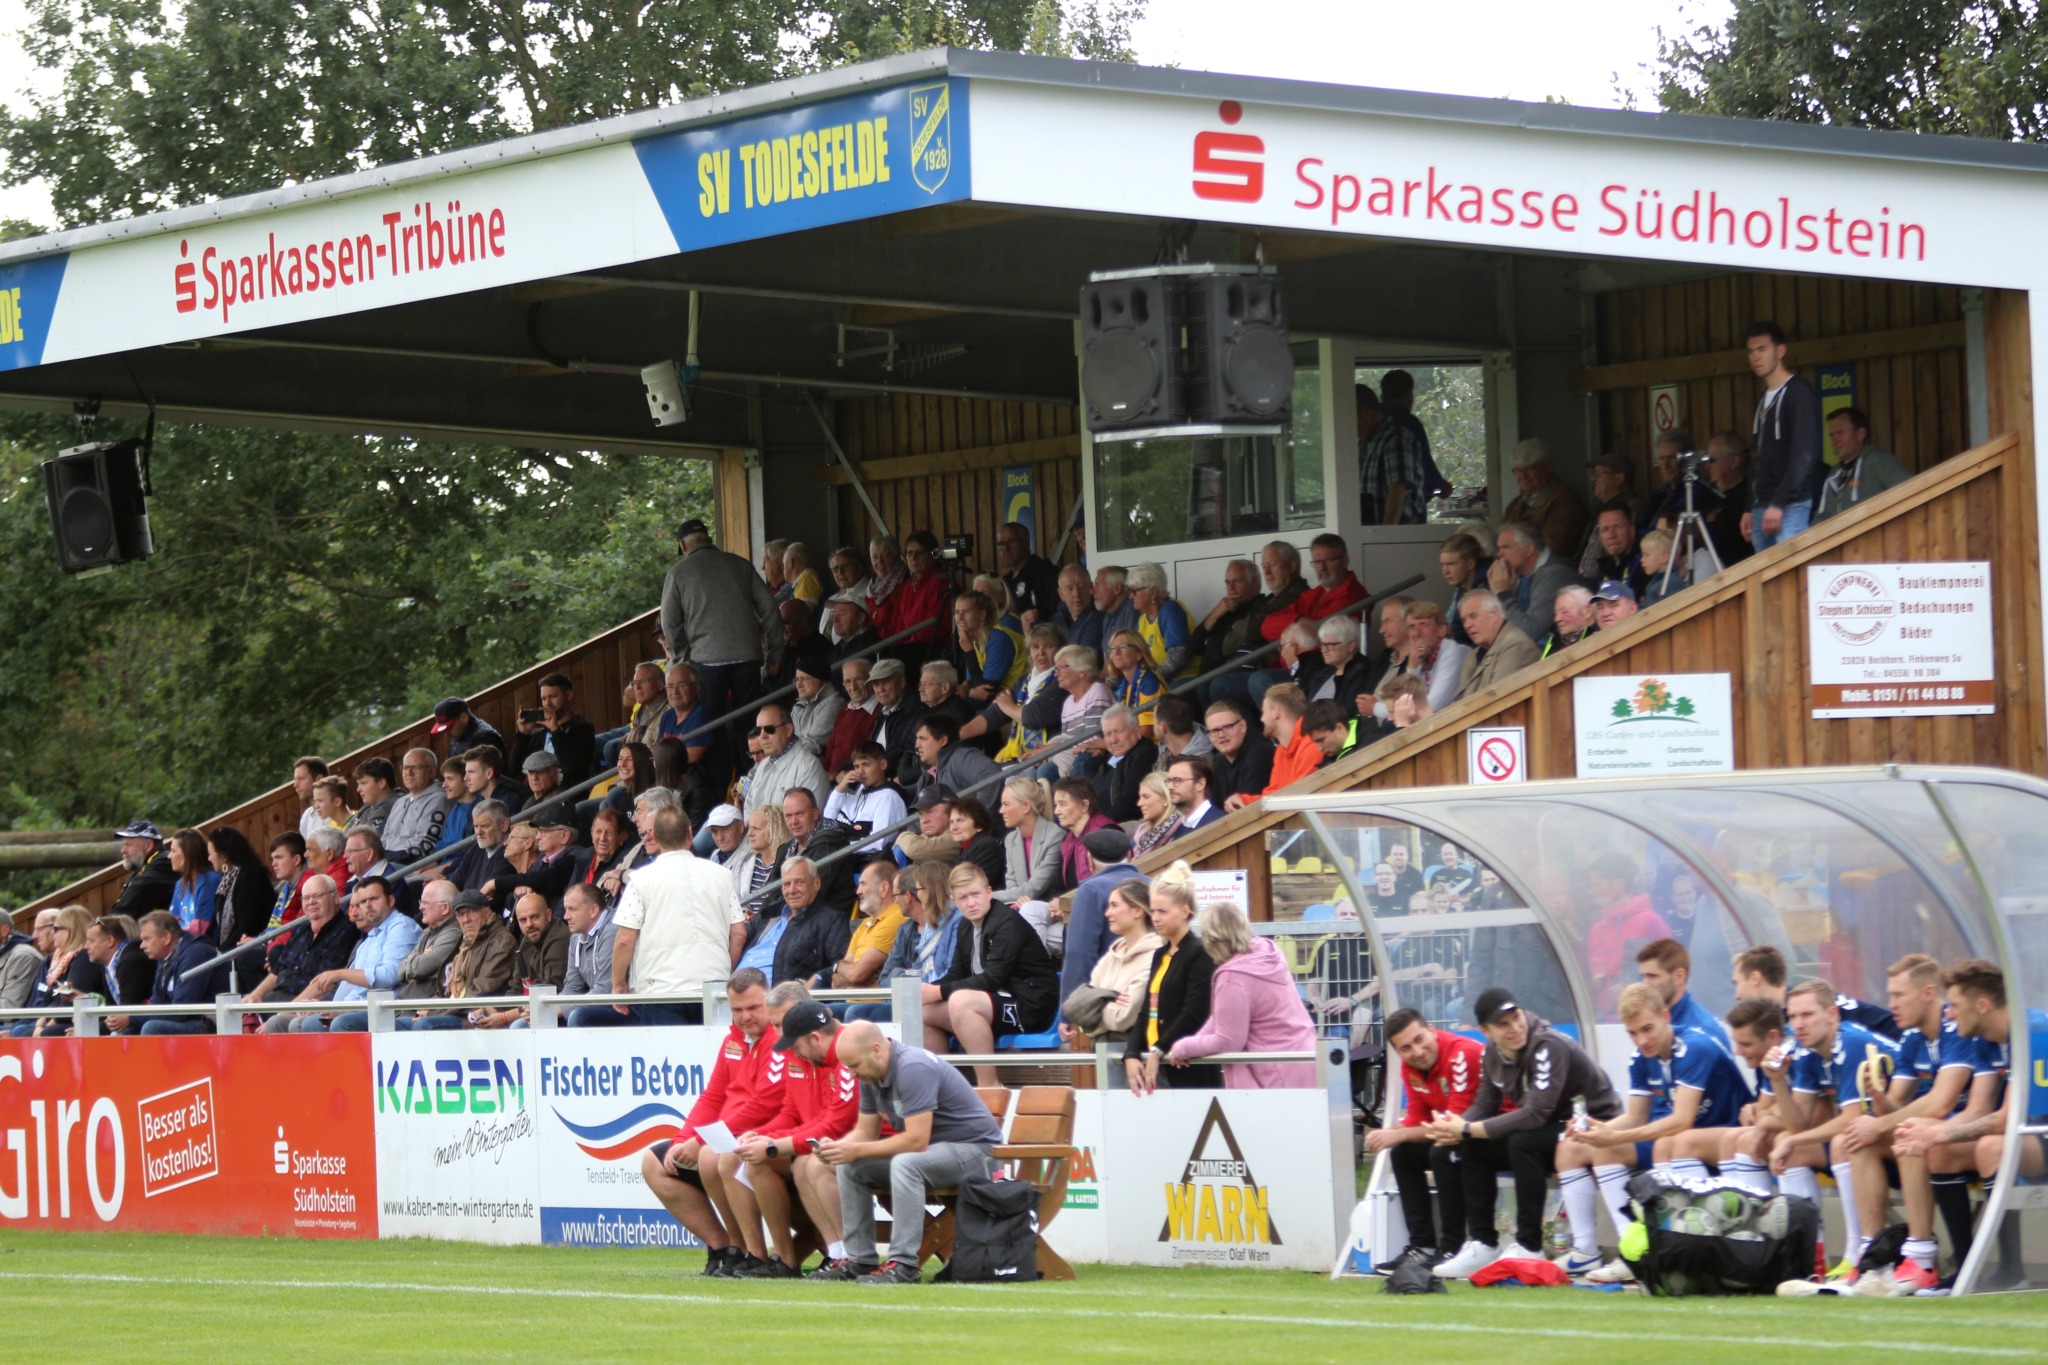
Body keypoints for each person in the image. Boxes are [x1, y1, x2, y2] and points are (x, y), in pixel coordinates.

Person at [1551, 981, 1753, 1281]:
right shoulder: (1642, 1060)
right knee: (1576, 1147)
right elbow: (1635, 1116)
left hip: (1727, 1134)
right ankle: (1629, 1252)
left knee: (1667, 1143)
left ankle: (1694, 1247)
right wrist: (1596, 1130)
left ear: (1666, 1017)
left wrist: (1613, 1136)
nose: (1641, 1040)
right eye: (1633, 1033)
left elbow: (1682, 1120)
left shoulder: (1694, 1047)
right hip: (1680, 1142)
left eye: (1647, 1029)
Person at [1427, 988, 1623, 1278]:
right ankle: (1483, 1243)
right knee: (1468, 1148)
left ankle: (1529, 1246)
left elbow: (1536, 1113)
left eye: (1516, 1017)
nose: (1515, 1027)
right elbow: (1485, 1103)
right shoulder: (1491, 1052)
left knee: (1522, 1142)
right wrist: (1453, 1128)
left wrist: (1468, 1128)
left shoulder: (1547, 1044)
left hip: (1595, 1125)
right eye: (1503, 1024)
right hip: (1555, 1130)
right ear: (1485, 1031)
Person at [1841, 954, 2000, 1292]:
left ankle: (1921, 1257)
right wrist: (1881, 1102)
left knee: (1910, 1132)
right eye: (1890, 995)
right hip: (1948, 1135)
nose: (1890, 1004)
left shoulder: (1957, 1026)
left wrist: (1883, 1123)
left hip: (1974, 1135)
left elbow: (1941, 1104)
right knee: (1855, 1140)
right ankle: (1871, 1255)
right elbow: (1898, 1105)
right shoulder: (1912, 1037)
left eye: (1899, 995)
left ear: (1929, 993)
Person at [817, 1020, 1006, 1284]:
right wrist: (841, 1148)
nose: (851, 1074)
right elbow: (865, 1132)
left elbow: (916, 1140)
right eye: (848, 1067)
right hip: (936, 1153)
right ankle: (859, 1260)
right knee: (851, 1166)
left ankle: (903, 1264)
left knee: (906, 1163)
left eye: (854, 1066)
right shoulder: (870, 1073)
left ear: (876, 1050)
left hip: (977, 1152)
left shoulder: (912, 1067)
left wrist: (857, 1148)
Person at [644, 969, 786, 1277]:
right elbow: (712, 1097)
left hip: (759, 1136)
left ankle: (749, 1251)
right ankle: (722, 1247)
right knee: (654, 1162)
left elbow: (765, 1104)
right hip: (723, 1136)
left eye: (753, 1008)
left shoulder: (778, 1041)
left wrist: (704, 1140)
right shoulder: (732, 1041)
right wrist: (684, 1138)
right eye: (737, 1010)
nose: (746, 1017)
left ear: (768, 1000)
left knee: (711, 1157)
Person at [1893, 960, 2021, 1289]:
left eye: (1955, 1006)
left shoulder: (2030, 1034)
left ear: (1982, 1005)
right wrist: (1933, 1136)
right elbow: (1978, 1109)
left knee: (1992, 1147)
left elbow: (2007, 1118)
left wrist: (1938, 1131)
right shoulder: (1985, 1041)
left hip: (2033, 1133)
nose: (1948, 1014)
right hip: (2026, 1134)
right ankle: (1967, 1271)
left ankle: (2012, 1272)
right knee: (1940, 1152)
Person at [719, 995, 865, 1278]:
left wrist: (773, 1146)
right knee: (741, 1158)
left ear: (814, 1036)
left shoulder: (844, 1054)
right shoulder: (802, 1054)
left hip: (846, 1146)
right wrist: (761, 1135)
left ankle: (845, 1255)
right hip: (820, 1143)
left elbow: (834, 1125)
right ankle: (778, 1258)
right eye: (776, 1024)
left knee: (805, 1163)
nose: (780, 1035)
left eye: (784, 1024)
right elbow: (790, 1113)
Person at [575, 806, 744, 1027]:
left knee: (672, 1060)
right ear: (690, 834)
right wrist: (721, 970)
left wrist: (617, 985)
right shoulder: (722, 874)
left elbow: (625, 939)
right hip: (714, 989)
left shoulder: (640, 879)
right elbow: (739, 934)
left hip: (661, 992)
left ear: (655, 837)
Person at [1366, 1009, 1487, 1272]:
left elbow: (1453, 1125)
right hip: (1461, 1135)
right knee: (1404, 1153)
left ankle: (1452, 1248)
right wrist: (1390, 1134)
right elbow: (1417, 1118)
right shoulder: (1411, 1068)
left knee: (1441, 1153)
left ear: (1432, 1030)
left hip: (1493, 1135)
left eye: (1420, 1039)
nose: (1417, 1051)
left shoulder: (1460, 1054)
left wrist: (1398, 1133)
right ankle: (1422, 1246)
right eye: (1406, 1048)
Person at [925, 861, 1059, 1084]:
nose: (971, 903)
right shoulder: (965, 926)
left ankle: (989, 1087)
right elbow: (957, 972)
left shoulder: (1007, 922)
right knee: (922, 1010)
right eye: (963, 898)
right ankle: (950, 1086)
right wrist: (929, 991)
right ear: (955, 901)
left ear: (989, 893)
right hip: (992, 1001)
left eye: (975, 894)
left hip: (1030, 1004)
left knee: (960, 1001)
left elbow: (993, 978)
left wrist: (939, 992)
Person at [1166, 898, 1316, 1088]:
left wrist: (1183, 1048)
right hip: (1304, 1056)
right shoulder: (1267, 952)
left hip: (1276, 1073)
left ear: (1211, 939)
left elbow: (1228, 1041)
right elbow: (1221, 1018)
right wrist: (1193, 1042)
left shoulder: (1233, 977)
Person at [660, 517, 783, 744]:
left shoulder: (678, 573)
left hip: (705, 661)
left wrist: (684, 656)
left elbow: (669, 622)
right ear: (708, 539)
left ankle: (719, 777)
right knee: (750, 726)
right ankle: (751, 773)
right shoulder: (740, 564)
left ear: (684, 545)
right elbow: (770, 607)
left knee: (709, 727)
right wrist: (774, 653)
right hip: (747, 656)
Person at [1123, 861, 1223, 1092]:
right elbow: (1147, 1010)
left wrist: (1159, 1049)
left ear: (1185, 911)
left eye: (1162, 911)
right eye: (1153, 911)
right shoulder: (1161, 953)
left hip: (1189, 1065)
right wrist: (1131, 1054)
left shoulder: (1200, 951)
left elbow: (1195, 1012)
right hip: (1161, 1060)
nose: (1155, 918)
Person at [287, 876, 424, 1032]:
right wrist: (331, 1007)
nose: (368, 906)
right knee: (307, 1022)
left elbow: (388, 977)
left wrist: (341, 974)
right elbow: (356, 992)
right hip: (361, 1008)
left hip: (388, 1010)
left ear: (391, 900)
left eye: (373, 899)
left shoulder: (401, 927)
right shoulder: (371, 937)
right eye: (363, 902)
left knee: (336, 1023)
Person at [329, 879, 462, 1030]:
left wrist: (415, 961)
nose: (420, 907)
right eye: (362, 901)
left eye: (425, 903)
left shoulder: (450, 932)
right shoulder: (428, 934)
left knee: (342, 1024)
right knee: (313, 1022)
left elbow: (403, 972)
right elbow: (402, 970)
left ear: (444, 908)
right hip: (401, 1008)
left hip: (409, 1010)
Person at [1741, 322, 1824, 551]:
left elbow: (1803, 455)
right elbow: (1757, 457)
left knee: (1791, 580)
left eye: (1762, 349)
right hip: (1761, 507)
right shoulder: (1763, 399)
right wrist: (1749, 506)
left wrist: (1779, 503)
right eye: (1751, 351)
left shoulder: (1798, 393)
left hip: (1790, 506)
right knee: (1767, 583)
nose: (1755, 357)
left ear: (1780, 351)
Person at [852, 861, 963, 1025]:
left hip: (935, 999)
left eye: (895, 896)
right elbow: (885, 978)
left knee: (858, 1013)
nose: (895, 902)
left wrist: (902, 975)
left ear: (910, 896)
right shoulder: (905, 929)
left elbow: (941, 974)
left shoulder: (954, 922)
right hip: (909, 1000)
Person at [246, 877, 362, 1033]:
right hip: (277, 998)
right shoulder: (301, 928)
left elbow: (322, 985)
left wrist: (284, 1013)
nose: (311, 901)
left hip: (305, 1002)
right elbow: (278, 971)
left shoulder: (346, 932)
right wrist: (256, 995)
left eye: (318, 896)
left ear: (335, 897)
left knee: (274, 1023)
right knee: (231, 1014)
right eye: (306, 898)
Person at [394, 889, 515, 1031]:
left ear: (487, 911)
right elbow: (444, 991)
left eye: (471, 912)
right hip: (452, 1009)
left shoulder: (501, 941)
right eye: (460, 915)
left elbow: (480, 992)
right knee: (392, 1025)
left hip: (472, 1015)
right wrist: (430, 1006)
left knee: (423, 1025)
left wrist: (435, 1011)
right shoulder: (465, 941)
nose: (466, 919)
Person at [1731, 943, 1899, 1038]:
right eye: (1795, 1017)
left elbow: (1888, 1023)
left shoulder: (1817, 1003)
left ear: (1755, 979)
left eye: (1737, 984)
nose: (1736, 996)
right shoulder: (1766, 1024)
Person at [129, 911, 229, 1036]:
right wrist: (130, 1020)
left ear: (166, 937)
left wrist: (131, 1018)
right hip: (188, 1020)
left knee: (151, 1028)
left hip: (211, 1023)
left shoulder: (196, 953)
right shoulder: (164, 958)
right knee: (127, 1030)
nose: (142, 946)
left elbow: (181, 1011)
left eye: (146, 939)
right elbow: (157, 1004)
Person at [1487, 519, 1580, 645]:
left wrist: (1503, 594)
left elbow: (1528, 633)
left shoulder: (1554, 575)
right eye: (1498, 548)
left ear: (1529, 550)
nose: (1499, 554)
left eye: (1506, 547)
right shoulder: (1518, 576)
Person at [770, 857, 854, 989]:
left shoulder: (832, 921)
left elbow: (842, 966)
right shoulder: (767, 920)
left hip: (788, 1000)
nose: (791, 890)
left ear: (816, 884)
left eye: (799, 882)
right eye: (786, 884)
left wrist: (819, 977)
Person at [1233, 683, 1319, 809]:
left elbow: (1302, 800)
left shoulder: (1312, 745)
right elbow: (1273, 795)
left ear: (1276, 712)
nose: (1261, 719)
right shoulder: (1281, 750)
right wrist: (1243, 801)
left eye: (1263, 712)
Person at [1816, 406, 1910, 521]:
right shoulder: (1834, 474)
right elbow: (1821, 517)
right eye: (1832, 435)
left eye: (1840, 433)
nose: (1834, 441)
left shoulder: (1878, 462)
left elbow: (1910, 491)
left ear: (1860, 434)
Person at [1635, 937, 1729, 1049]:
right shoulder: (1647, 1025)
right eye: (1643, 976)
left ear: (1679, 977)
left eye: (1652, 976)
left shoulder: (1705, 1030)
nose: (1645, 984)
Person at [1500, 437, 1588, 557]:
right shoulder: (1514, 505)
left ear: (1547, 467)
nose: (1523, 476)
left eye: (1530, 468)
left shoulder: (1566, 504)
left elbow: (1552, 549)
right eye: (1518, 470)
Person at [1358, 381, 1430, 525]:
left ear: (1366, 413)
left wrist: (1385, 538)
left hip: (1398, 534)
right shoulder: (1364, 443)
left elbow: (1397, 491)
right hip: (1373, 533)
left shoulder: (1395, 438)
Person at [830, 861, 906, 990]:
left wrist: (843, 969)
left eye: (863, 884)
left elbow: (856, 975)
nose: (858, 891)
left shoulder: (896, 919)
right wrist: (839, 967)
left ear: (883, 888)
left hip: (872, 1004)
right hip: (848, 1001)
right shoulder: (864, 924)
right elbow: (836, 983)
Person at [748, 702, 831, 814]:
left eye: (769, 729)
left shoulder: (808, 767)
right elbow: (748, 814)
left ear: (788, 729)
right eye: (759, 731)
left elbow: (807, 821)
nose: (763, 736)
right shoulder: (761, 766)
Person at [1456, 590, 1540, 698]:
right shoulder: (1472, 657)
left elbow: (1496, 700)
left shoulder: (1516, 646)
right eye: (1463, 620)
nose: (1467, 625)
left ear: (1494, 614)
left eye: (1473, 616)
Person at [994, 776, 1062, 906]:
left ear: (1026, 806)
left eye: (1006, 804)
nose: (1001, 810)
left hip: (1049, 909)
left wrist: (985, 896)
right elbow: (1012, 884)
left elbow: (1033, 889)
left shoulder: (1054, 837)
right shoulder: (1010, 839)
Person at [911, 712, 998, 808]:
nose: (917, 745)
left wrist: (978, 816)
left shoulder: (961, 757)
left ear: (943, 741)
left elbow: (991, 773)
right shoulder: (926, 775)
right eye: (917, 739)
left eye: (923, 739)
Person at [1090, 705, 1157, 824]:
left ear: (1137, 730)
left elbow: (1129, 805)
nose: (1113, 740)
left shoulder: (1145, 754)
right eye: (1108, 734)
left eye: (1118, 731)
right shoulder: (1110, 759)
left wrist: (1097, 825)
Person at [382, 747, 451, 863]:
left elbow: (427, 843)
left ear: (432, 772)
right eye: (405, 767)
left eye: (416, 767)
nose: (409, 773)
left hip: (411, 864)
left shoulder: (439, 799)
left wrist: (391, 858)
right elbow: (385, 838)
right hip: (388, 862)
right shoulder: (399, 802)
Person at [868, 659, 928, 791]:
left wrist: (867, 770)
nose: (880, 689)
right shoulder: (882, 712)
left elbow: (899, 749)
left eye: (885, 683)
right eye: (876, 685)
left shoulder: (914, 708)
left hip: (897, 782)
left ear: (901, 682)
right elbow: (869, 750)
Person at [1576, 455, 1638, 578]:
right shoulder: (1599, 510)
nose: (1593, 479)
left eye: (1599, 473)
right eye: (1605, 529)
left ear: (1619, 478)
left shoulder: (1632, 507)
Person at [1205, 700, 1273, 806]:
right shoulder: (1218, 761)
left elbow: (1248, 807)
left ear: (1242, 726)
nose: (1221, 735)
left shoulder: (1259, 752)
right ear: (1209, 736)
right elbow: (1218, 806)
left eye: (1228, 727)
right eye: (1214, 731)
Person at [995, 521, 1061, 628]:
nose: (1006, 549)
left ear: (1027, 543)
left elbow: (1060, 616)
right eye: (1001, 545)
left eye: (1012, 542)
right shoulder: (1004, 581)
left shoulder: (1046, 574)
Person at [109, 819, 177, 920]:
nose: (123, 850)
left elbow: (126, 909)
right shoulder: (145, 867)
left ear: (148, 845)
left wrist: (106, 927)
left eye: (129, 845)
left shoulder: (163, 864)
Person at [1437, 531, 1490, 647]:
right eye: (1443, 565)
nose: (1445, 571)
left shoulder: (1487, 590)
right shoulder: (1463, 588)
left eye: (1451, 564)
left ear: (1470, 564)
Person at [945, 796, 1007, 888]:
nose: (954, 827)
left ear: (978, 825)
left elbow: (972, 886)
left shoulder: (986, 846)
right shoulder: (968, 847)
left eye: (960, 820)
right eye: (951, 822)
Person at [1589, 502, 1647, 599]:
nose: (1611, 535)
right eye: (1605, 529)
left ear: (1632, 531)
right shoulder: (1603, 571)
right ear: (1599, 536)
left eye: (1618, 527)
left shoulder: (1645, 565)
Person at [1051, 562, 1106, 660]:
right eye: (1069, 588)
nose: (1076, 593)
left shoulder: (1099, 616)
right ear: (1061, 594)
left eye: (1082, 586)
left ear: (1091, 587)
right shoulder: (1057, 619)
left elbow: (1081, 659)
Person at [429, 699, 506, 761]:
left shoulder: (485, 738)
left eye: (450, 727)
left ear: (463, 718)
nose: (446, 733)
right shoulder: (459, 734)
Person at [1129, 770, 1182, 856]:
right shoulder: (1141, 831)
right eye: (1140, 797)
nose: (1139, 803)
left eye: (1146, 797)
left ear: (1166, 798)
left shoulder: (1181, 830)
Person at [347, 756, 400, 838]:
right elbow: (345, 835)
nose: (358, 789)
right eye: (358, 784)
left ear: (381, 783)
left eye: (363, 783)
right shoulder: (367, 807)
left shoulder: (391, 807)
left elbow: (365, 841)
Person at [1539, 584, 1596, 658]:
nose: (1557, 619)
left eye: (1564, 612)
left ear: (1587, 611)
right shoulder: (1554, 642)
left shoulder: (1599, 636)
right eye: (1556, 613)